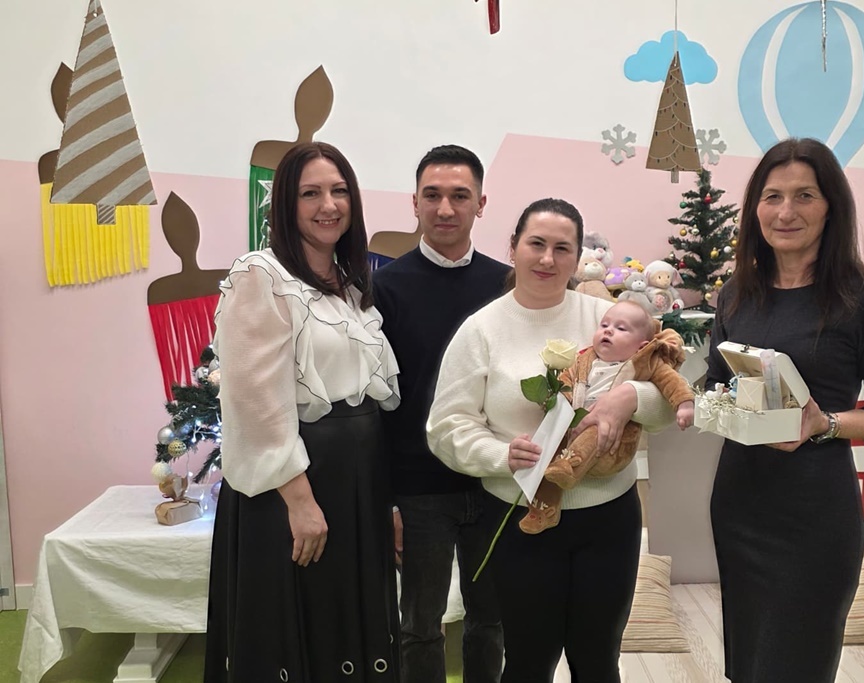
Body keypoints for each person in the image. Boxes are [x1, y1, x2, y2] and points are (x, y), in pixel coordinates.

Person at [426, 198, 676, 682]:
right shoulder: (482, 330)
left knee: (598, 660)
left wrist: (629, 397)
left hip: (608, 518)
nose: (547, 259)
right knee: (528, 661)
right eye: (536, 244)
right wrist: (501, 455)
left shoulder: (611, 317)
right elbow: (447, 426)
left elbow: (668, 403)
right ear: (513, 247)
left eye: (562, 248)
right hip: (521, 518)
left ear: (578, 257)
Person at [705, 138, 864, 683]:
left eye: (805, 196)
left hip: (815, 515)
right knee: (748, 665)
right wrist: (703, 405)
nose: (786, 212)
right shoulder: (736, 294)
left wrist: (826, 424)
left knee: (797, 665)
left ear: (831, 207)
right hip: (740, 503)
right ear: (755, 208)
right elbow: (718, 382)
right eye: (772, 196)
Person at [204, 142, 402, 682]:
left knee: (349, 624)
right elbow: (254, 399)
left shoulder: (350, 283)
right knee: (301, 625)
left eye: (339, 191)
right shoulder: (261, 276)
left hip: (358, 482)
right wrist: (299, 500)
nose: (328, 205)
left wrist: (384, 499)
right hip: (295, 483)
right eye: (310, 193)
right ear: (286, 205)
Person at [373, 144, 509, 683]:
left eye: (459, 196)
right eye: (432, 195)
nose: (445, 208)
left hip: (494, 481)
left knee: (490, 620)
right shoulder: (384, 287)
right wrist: (387, 499)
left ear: (481, 204)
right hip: (418, 490)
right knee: (419, 625)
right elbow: (377, 401)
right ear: (414, 203)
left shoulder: (507, 285)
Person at [522, 301, 696, 534]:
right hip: (574, 428)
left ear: (642, 346)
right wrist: (557, 399)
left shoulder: (646, 362)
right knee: (552, 446)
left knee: (597, 427)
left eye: (621, 328)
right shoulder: (586, 359)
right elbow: (567, 378)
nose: (608, 331)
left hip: (611, 443)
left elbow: (672, 382)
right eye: (604, 325)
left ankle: (571, 468)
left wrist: (684, 404)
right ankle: (542, 511)